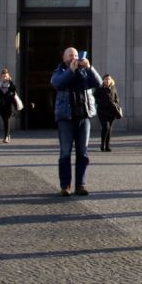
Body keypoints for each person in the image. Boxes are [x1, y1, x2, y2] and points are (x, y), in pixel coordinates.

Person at [51, 48, 102, 196]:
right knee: (65, 153)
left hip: (83, 116)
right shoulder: (59, 71)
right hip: (66, 118)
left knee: (83, 153)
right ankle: (65, 186)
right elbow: (58, 84)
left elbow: (98, 83)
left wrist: (89, 67)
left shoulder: (84, 71)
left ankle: (81, 185)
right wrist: (71, 71)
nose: (74, 57)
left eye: (75, 55)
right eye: (70, 55)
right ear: (64, 57)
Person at [94, 74, 122, 151]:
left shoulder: (113, 88)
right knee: (106, 127)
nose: (107, 80)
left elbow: (116, 98)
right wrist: (101, 102)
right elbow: (95, 97)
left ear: (111, 80)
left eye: (109, 79)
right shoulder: (99, 88)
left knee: (109, 129)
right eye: (106, 79)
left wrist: (116, 103)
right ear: (103, 80)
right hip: (102, 111)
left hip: (112, 111)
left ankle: (107, 146)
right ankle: (102, 144)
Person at [0, 68, 19, 143]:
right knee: (5, 121)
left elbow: (14, 90)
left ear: (8, 76)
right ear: (1, 77)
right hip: (1, 106)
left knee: (7, 120)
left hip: (10, 105)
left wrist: (10, 81)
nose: (4, 78)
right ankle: (8, 135)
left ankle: (6, 136)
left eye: (6, 76)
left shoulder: (10, 84)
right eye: (3, 76)